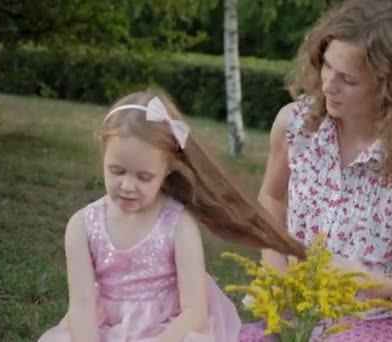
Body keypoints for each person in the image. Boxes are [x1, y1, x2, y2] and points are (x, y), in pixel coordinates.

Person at [239, 0, 392, 341]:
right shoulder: (294, 126)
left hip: (374, 320)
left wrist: (371, 284)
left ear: (389, 86)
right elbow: (272, 200)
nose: (327, 86)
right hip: (296, 311)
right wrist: (278, 284)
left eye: (347, 79)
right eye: (326, 66)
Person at [38, 89, 305, 342]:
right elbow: (82, 306)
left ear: (168, 169)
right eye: (117, 171)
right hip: (103, 330)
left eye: (144, 177)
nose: (128, 186)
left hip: (171, 329)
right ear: (103, 153)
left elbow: (194, 312)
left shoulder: (177, 224)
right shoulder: (82, 225)